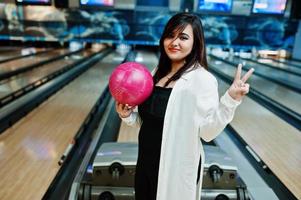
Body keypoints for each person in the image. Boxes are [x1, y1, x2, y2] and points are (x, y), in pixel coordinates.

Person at [115, 12, 254, 200]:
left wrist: (230, 100)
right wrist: (127, 115)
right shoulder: (156, 73)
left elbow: (207, 132)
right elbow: (152, 122)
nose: (174, 42)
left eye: (183, 37)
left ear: (195, 43)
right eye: (170, 35)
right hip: (146, 162)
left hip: (176, 168)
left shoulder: (202, 80)